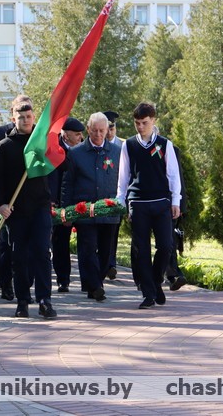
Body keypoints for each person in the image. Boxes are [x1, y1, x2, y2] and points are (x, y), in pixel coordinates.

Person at [0, 99, 57, 320]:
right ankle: (23, 301)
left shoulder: (42, 142)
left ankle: (45, 300)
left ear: (34, 117)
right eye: (21, 117)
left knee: (42, 252)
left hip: (40, 207)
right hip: (16, 211)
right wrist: (0, 204)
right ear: (13, 118)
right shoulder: (4, 146)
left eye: (29, 116)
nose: (25, 120)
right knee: (20, 256)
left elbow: (58, 166)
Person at [116, 102, 182, 310]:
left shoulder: (164, 144)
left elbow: (173, 174)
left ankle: (155, 280)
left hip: (161, 202)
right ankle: (148, 293)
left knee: (165, 245)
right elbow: (123, 176)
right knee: (141, 249)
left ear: (153, 121)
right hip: (138, 203)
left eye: (144, 123)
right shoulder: (129, 145)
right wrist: (122, 201)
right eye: (137, 123)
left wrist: (175, 200)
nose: (140, 127)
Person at [62, 112, 121, 302]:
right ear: (88, 129)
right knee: (87, 249)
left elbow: (124, 180)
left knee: (106, 252)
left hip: (109, 209)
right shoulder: (76, 153)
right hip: (84, 209)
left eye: (102, 131)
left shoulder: (116, 152)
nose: (97, 134)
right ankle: (95, 286)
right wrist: (66, 210)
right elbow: (67, 183)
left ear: (107, 130)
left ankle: (95, 282)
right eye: (94, 130)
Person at [0, 94, 32, 302]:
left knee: (29, 247)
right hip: (6, 200)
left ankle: (25, 285)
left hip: (29, 199)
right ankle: (5, 283)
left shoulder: (36, 133)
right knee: (5, 245)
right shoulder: (0, 134)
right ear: (13, 113)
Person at [50, 117, 84, 293]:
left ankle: (90, 280)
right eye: (77, 134)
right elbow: (52, 177)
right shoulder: (55, 149)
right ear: (65, 134)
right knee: (60, 242)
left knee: (86, 242)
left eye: (80, 134)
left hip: (81, 202)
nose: (80, 137)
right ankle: (63, 280)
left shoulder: (84, 149)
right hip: (59, 202)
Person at [103, 110, 123, 279]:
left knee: (113, 231)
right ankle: (104, 262)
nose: (109, 132)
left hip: (117, 197)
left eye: (112, 127)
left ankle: (111, 264)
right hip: (99, 196)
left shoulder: (123, 147)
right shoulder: (98, 145)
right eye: (106, 128)